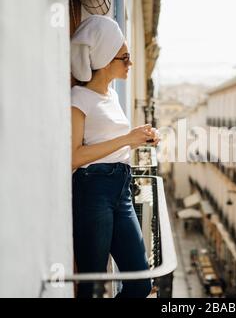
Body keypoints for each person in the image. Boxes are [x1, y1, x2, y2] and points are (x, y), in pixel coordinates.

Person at [70, 15, 159, 298]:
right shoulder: (78, 98)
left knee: (141, 283)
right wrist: (127, 138)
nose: (130, 63)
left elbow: (109, 143)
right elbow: (73, 157)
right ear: (107, 59)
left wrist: (139, 137)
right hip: (92, 189)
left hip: (121, 188)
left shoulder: (112, 96)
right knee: (93, 285)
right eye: (125, 57)